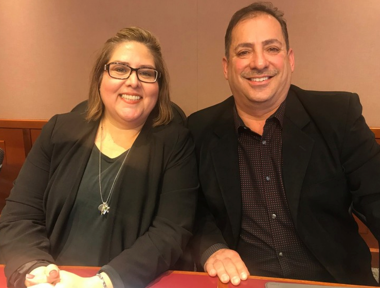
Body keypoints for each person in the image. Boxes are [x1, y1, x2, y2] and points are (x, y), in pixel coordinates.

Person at [187, 2, 380, 287]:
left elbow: (376, 195)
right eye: (244, 51)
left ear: (290, 59)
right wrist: (212, 249)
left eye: (272, 48)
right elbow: (192, 210)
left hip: (333, 281)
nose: (259, 62)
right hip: (245, 282)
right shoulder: (199, 129)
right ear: (227, 67)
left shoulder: (338, 114)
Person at [0, 27, 198, 288]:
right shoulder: (59, 131)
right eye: (119, 69)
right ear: (100, 77)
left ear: (159, 87)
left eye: (146, 73)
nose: (133, 81)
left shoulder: (175, 143)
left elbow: (170, 233)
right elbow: (19, 217)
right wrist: (36, 271)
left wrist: (99, 283)